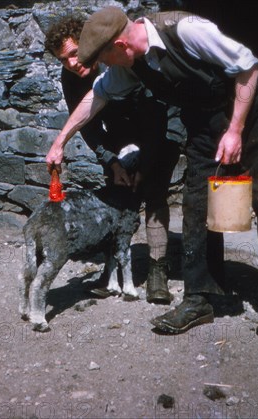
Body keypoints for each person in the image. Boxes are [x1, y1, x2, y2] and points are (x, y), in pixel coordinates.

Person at [46, 7, 258, 337]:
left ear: (121, 45)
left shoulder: (187, 30)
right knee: (196, 204)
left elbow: (248, 67)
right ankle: (200, 298)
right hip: (203, 121)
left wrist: (236, 130)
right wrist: (60, 141)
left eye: (106, 58)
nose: (105, 66)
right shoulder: (128, 63)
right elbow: (95, 97)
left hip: (250, 113)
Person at [44, 15, 184, 303]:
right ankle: (112, 273)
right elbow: (87, 125)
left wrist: (145, 166)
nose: (71, 63)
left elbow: (155, 114)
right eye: (63, 60)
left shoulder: (119, 59)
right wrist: (112, 162)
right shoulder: (73, 78)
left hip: (159, 127)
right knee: (116, 199)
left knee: (154, 192)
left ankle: (157, 269)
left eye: (74, 54)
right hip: (120, 136)